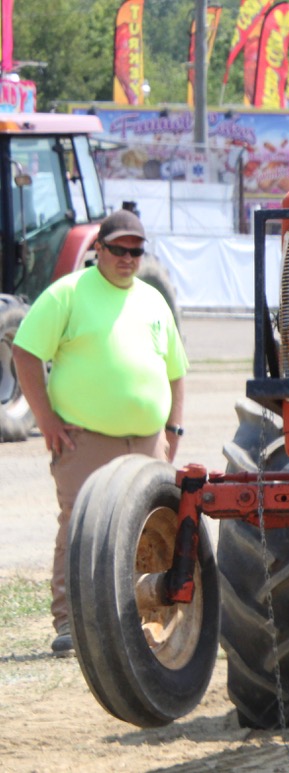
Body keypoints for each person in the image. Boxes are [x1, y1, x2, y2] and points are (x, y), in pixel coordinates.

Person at [12, 209, 187, 657]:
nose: (127, 258)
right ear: (98, 250)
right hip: (85, 439)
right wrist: (45, 419)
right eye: (118, 249)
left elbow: (175, 371)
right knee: (79, 526)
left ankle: (144, 617)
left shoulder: (153, 300)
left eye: (136, 251)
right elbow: (25, 353)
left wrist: (173, 427)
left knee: (145, 530)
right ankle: (70, 622)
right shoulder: (66, 294)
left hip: (146, 439)